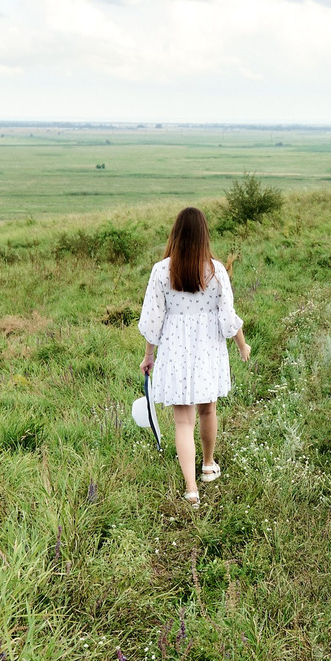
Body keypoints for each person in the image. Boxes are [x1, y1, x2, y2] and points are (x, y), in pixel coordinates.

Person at [138, 206, 250, 504]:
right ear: (204, 235)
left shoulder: (161, 270)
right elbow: (228, 319)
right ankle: (208, 466)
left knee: (182, 422)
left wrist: (149, 355)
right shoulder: (215, 270)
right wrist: (242, 345)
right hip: (208, 348)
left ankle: (191, 489)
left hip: (174, 348)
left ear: (175, 234)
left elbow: (153, 321)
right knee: (207, 410)